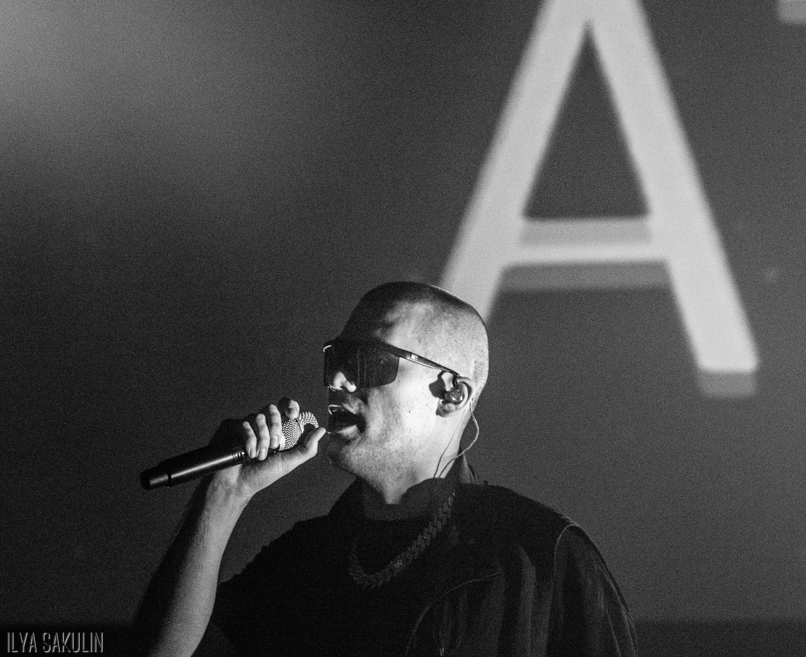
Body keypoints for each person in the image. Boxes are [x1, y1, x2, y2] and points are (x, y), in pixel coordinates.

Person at [133, 281, 637, 657]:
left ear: (450, 394)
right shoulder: (305, 561)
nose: (336, 379)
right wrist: (224, 495)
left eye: (369, 361)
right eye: (335, 357)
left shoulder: (538, 557)